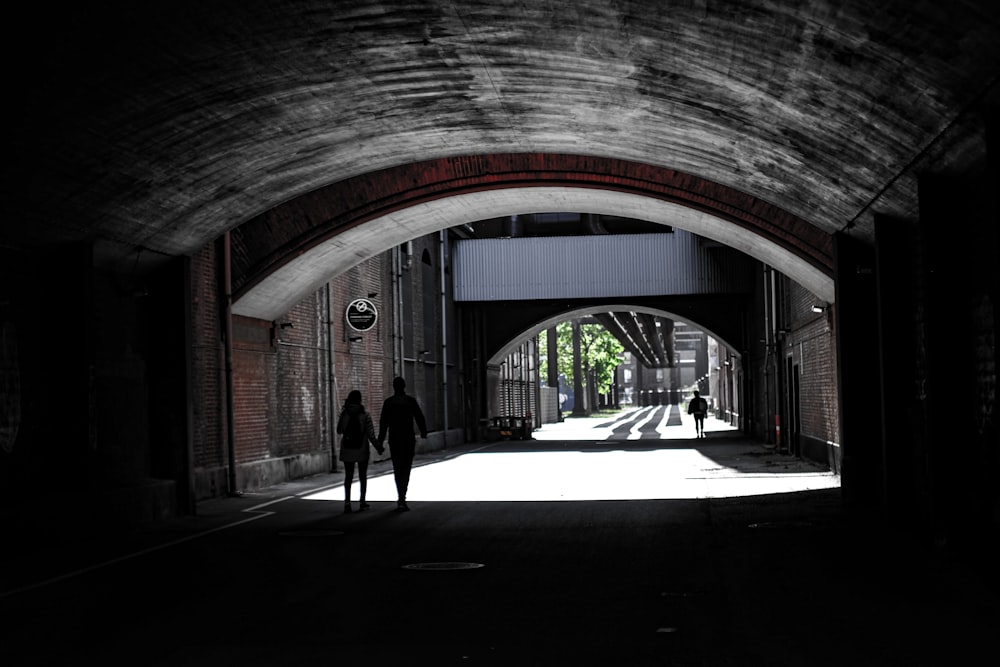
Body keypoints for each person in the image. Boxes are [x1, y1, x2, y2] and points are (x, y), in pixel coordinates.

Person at [377, 377, 427, 512]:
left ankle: (400, 497)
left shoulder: (388, 402)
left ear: (394, 387)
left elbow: (383, 424)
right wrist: (423, 432)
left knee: (397, 468)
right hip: (408, 439)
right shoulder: (410, 401)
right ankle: (402, 497)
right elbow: (419, 416)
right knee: (406, 468)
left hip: (394, 439)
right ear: (404, 386)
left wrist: (380, 442)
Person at [336, 390, 381, 513]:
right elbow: (371, 435)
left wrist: (342, 417)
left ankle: (347, 503)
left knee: (348, 477)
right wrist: (378, 447)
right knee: (362, 476)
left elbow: (339, 431)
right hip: (362, 449)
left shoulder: (345, 414)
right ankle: (362, 502)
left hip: (347, 449)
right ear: (360, 400)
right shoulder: (365, 415)